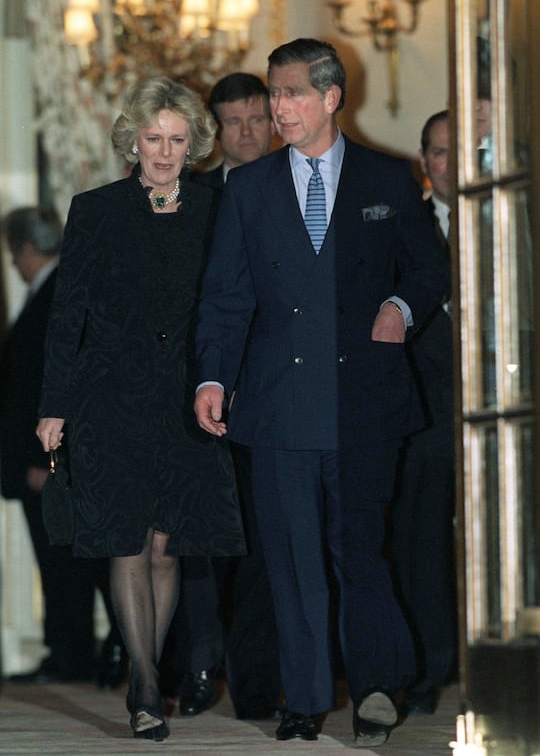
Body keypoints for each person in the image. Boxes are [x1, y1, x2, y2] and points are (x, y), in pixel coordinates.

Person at [194, 38, 449, 747]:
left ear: (332, 97)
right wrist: (213, 377)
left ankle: (373, 688)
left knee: (359, 550)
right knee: (292, 559)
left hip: (365, 401)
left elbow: (428, 271)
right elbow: (224, 297)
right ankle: (304, 698)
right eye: (274, 94)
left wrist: (399, 307)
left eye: (293, 93)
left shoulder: (388, 179)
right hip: (276, 405)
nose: (278, 108)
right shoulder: (247, 189)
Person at [35, 77, 245, 742]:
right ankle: (145, 680)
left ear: (195, 145)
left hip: (187, 399)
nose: (163, 151)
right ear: (133, 139)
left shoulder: (217, 209)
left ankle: (147, 669)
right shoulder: (94, 210)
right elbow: (67, 315)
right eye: (153, 138)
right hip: (109, 398)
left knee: (165, 545)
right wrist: (54, 406)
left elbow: (232, 306)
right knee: (126, 537)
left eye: (177, 140)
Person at [160, 73, 281, 721]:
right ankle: (202, 663)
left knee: (268, 538)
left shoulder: (303, 185)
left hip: (275, 395)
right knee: (199, 540)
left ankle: (259, 672)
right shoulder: (191, 198)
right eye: (232, 122)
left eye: (256, 118)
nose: (246, 133)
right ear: (215, 130)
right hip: (199, 395)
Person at [0, 205, 126, 687]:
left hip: (50, 461)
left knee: (71, 564)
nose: (14, 262)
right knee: (71, 561)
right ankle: (72, 652)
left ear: (27, 248)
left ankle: (74, 655)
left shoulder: (56, 295)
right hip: (46, 460)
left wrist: (47, 463)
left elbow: (56, 386)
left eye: (15, 251)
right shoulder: (54, 291)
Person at [389, 110, 458, 714]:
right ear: (424, 163)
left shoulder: (514, 214)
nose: (453, 163)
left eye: (465, 150)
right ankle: (429, 669)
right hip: (428, 410)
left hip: (505, 409)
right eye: (439, 152)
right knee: (423, 545)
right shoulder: (405, 226)